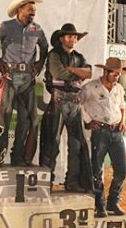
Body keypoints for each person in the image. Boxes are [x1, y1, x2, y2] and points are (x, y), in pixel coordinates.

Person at [0, 0, 48, 166]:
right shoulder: (5, 26)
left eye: (34, 11)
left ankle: (20, 157)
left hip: (28, 78)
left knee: (28, 119)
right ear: (20, 9)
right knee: (3, 117)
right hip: (9, 75)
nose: (32, 13)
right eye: (29, 10)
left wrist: (39, 64)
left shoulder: (37, 29)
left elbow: (44, 47)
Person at [39, 23, 93, 193]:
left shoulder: (78, 56)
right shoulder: (54, 55)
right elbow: (59, 73)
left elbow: (89, 73)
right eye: (70, 36)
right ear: (62, 39)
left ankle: (72, 181)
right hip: (59, 100)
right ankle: (48, 181)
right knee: (52, 143)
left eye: (75, 37)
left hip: (73, 101)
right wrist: (77, 73)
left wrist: (70, 69)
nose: (73, 39)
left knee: (75, 144)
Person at [81, 57, 126, 218]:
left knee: (122, 170)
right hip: (100, 130)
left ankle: (113, 201)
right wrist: (88, 121)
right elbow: (78, 103)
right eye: (114, 74)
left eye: (118, 74)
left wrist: (123, 121)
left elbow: (122, 106)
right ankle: (100, 204)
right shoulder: (91, 87)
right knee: (97, 169)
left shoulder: (119, 89)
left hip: (116, 130)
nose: (117, 77)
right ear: (106, 71)